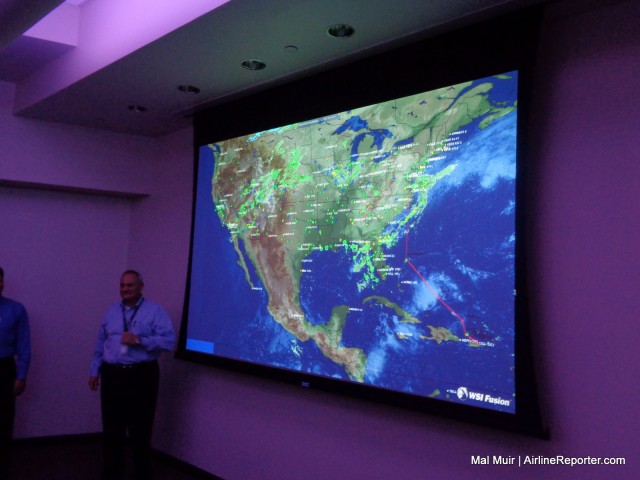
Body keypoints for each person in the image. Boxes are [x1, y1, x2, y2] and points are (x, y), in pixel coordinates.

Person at [89, 270, 175, 480]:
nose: (125, 289)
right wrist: (94, 370)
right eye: (122, 285)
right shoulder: (111, 310)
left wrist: (139, 340)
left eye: (130, 285)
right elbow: (101, 341)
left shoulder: (155, 311)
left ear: (141, 287)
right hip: (112, 375)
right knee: (111, 429)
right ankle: (112, 472)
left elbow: (169, 342)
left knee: (140, 430)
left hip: (141, 376)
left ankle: (142, 474)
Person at [0, 267, 31, 480]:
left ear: (2, 283)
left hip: (3, 370)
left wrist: (21, 376)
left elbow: (24, 346)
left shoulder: (16, 310)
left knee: (2, 423)